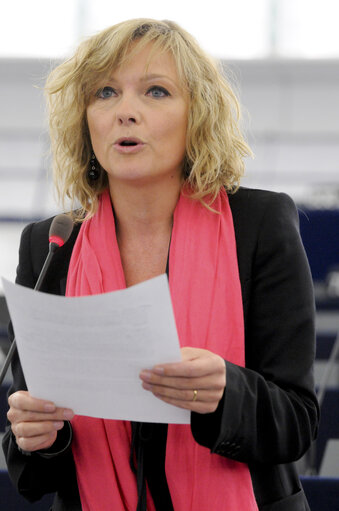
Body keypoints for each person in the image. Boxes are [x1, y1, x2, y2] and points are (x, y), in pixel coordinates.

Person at [2, 18, 319, 511]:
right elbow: (32, 471)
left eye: (155, 91)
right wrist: (36, 436)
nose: (126, 111)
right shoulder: (49, 244)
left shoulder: (259, 224)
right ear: (85, 119)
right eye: (105, 92)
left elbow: (297, 423)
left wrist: (226, 393)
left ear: (198, 114)